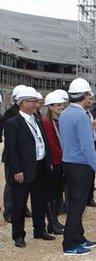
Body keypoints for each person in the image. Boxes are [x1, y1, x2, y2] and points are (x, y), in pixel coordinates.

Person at [59, 78, 96, 255]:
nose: (90, 99)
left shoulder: (65, 113)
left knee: (74, 203)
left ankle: (78, 237)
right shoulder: (81, 115)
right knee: (77, 207)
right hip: (80, 166)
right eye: (89, 95)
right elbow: (87, 147)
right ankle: (70, 244)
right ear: (84, 95)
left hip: (68, 163)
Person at [4, 86, 55, 248]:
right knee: (19, 203)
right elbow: (11, 150)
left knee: (39, 200)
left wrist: (48, 161)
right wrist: (17, 170)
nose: (35, 104)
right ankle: (18, 235)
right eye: (31, 101)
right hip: (23, 169)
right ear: (22, 103)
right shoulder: (13, 123)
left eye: (35, 101)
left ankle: (39, 230)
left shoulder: (37, 119)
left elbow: (43, 142)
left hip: (39, 166)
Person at [2, 85, 31, 223]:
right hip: (12, 156)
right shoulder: (10, 113)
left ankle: (23, 209)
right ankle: (8, 211)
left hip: (24, 156)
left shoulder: (28, 114)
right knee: (10, 184)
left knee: (23, 185)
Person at [42, 92, 67, 235]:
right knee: (51, 194)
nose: (61, 107)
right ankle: (51, 223)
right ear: (50, 107)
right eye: (58, 105)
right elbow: (51, 145)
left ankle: (55, 221)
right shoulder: (46, 123)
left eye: (61, 105)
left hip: (60, 161)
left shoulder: (58, 121)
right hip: (55, 162)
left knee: (58, 193)